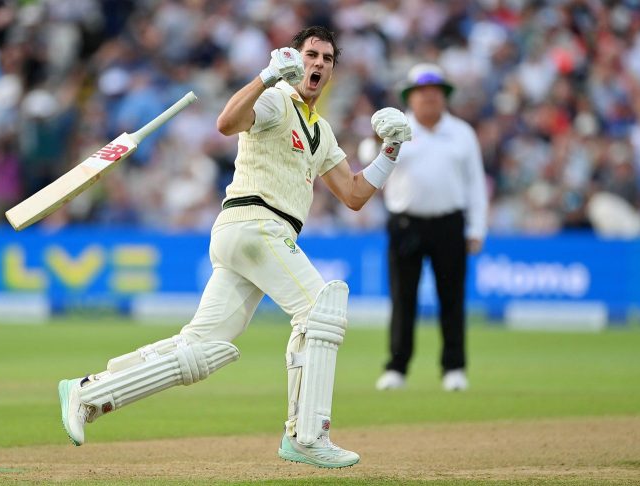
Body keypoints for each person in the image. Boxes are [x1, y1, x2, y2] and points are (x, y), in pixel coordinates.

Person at [58, 26, 412, 468]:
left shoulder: (321, 131)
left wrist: (391, 152)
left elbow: (355, 195)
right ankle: (307, 436)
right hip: (256, 223)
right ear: (293, 58)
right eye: (311, 54)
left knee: (202, 348)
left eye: (327, 58)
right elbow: (226, 123)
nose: (318, 63)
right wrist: (266, 77)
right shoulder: (275, 99)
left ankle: (89, 391)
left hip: (250, 236)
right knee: (321, 310)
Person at [374, 63, 488, 392]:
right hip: (406, 223)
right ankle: (397, 367)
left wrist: (476, 228)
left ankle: (454, 367)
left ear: (444, 97)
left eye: (436, 93)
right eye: (423, 93)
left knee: (451, 298)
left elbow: (475, 184)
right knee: (403, 298)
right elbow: (372, 161)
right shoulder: (397, 129)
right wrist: (381, 138)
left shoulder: (462, 133)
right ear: (411, 97)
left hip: (450, 223)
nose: (430, 99)